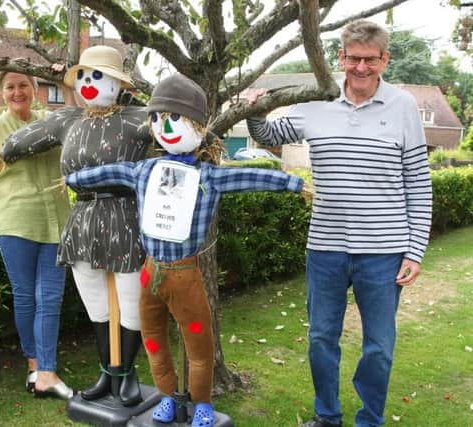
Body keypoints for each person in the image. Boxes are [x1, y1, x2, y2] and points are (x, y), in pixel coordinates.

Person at [66, 73, 309, 427]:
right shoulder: (143, 170)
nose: (163, 126)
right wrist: (72, 180)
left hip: (185, 275)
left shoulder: (208, 176)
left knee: (199, 345)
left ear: (196, 124)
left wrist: (293, 184)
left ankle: (204, 405)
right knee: (152, 340)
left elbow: (252, 178)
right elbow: (107, 173)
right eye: (157, 118)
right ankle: (166, 397)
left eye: (173, 118)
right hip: (150, 273)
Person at [247, 19, 432, 427]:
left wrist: (415, 250)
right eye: (352, 58)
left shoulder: (402, 107)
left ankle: (370, 419)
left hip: (384, 253)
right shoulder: (316, 104)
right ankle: (327, 416)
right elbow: (268, 132)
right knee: (320, 339)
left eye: (370, 59)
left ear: (385, 59)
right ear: (340, 57)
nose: (360, 68)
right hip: (326, 249)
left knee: (379, 347)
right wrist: (255, 107)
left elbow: (418, 182)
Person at [0, 46, 152, 406]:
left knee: (131, 301)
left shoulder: (138, 118)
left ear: (117, 83)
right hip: (82, 221)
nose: (87, 84)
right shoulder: (67, 119)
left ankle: (127, 372)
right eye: (82, 76)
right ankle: (107, 371)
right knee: (96, 304)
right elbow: (14, 144)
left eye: (97, 76)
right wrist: (2, 148)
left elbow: (183, 133)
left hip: (125, 217)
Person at [0, 71, 73, 399]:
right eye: (10, 86)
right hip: (17, 226)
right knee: (27, 296)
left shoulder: (51, 122)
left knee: (50, 298)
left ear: (35, 89)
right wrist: (4, 207)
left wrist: (68, 83)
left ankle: (44, 372)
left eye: (23, 84)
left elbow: (76, 118)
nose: (17, 92)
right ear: (0, 92)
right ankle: (38, 367)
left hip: (56, 222)